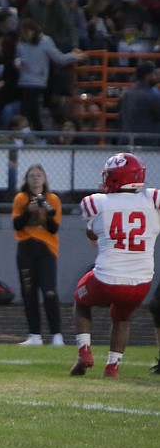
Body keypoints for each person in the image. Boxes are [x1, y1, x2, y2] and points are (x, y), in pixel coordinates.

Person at [71, 152, 160, 378]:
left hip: (106, 278)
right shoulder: (153, 199)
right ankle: (113, 367)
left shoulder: (96, 203)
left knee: (81, 302)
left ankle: (85, 353)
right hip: (141, 282)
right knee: (121, 317)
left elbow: (91, 234)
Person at [13, 164, 64, 347]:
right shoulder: (21, 198)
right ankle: (35, 334)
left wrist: (43, 214)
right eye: (32, 176)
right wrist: (29, 211)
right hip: (26, 248)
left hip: (47, 249)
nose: (35, 179)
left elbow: (54, 228)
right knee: (29, 292)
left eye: (39, 175)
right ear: (27, 179)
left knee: (49, 291)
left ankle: (56, 334)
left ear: (44, 179)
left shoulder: (53, 199)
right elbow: (17, 225)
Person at [117, 60, 160, 145]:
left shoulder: (127, 94)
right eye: (154, 74)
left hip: (126, 142)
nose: (156, 76)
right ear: (148, 76)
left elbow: (120, 118)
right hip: (147, 144)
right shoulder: (152, 94)